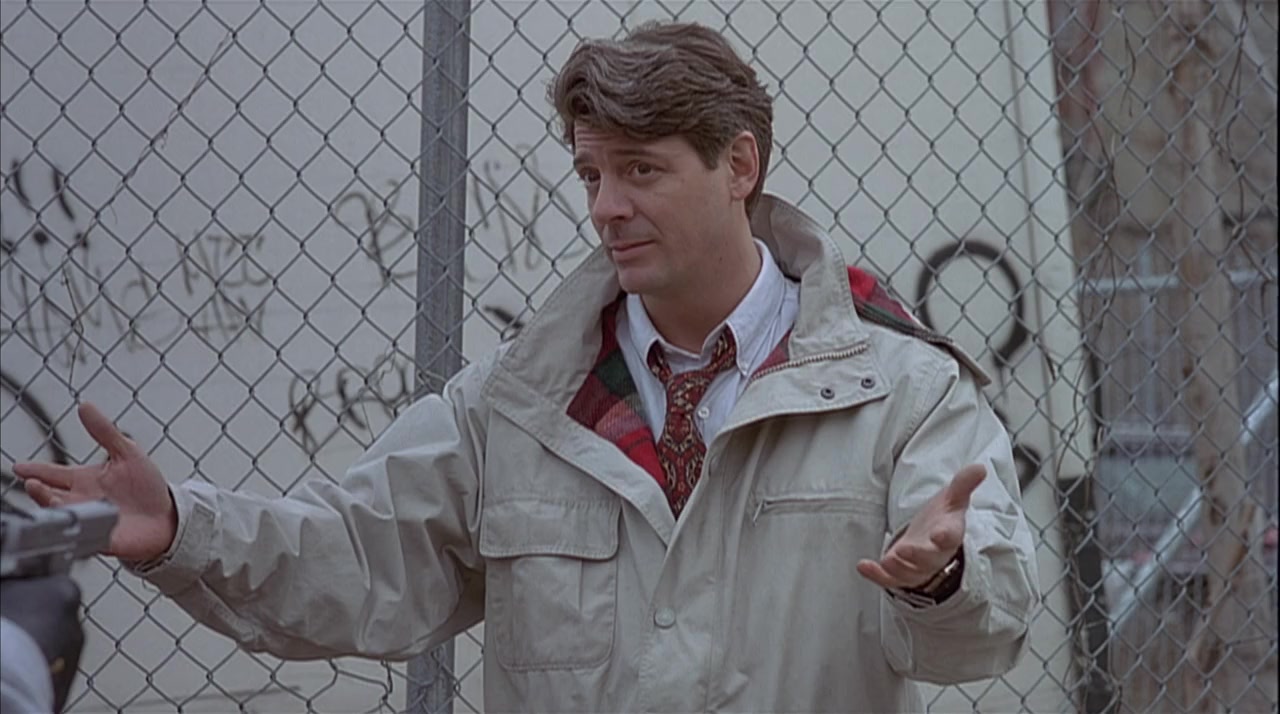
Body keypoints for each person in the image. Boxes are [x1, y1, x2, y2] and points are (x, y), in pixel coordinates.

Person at [15, 21, 1038, 712]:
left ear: (738, 165)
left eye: (640, 170)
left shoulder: (899, 389)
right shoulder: (517, 407)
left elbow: (977, 639)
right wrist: (182, 528)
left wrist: (943, 579)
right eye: (591, 173)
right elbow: (358, 561)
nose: (605, 207)